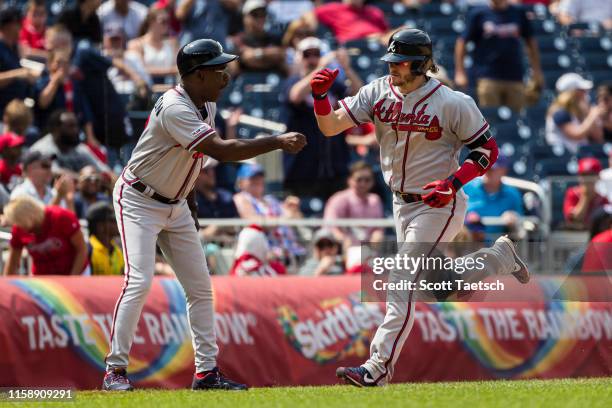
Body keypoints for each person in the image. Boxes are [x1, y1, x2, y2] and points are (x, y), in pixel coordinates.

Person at [310, 28, 530, 387]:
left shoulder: (452, 102)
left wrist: (454, 182)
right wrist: (320, 97)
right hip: (400, 203)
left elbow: (487, 152)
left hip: (438, 203)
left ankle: (376, 367)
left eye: (400, 61)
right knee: (443, 286)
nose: (393, 67)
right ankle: (499, 258)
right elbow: (331, 127)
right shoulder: (377, 91)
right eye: (391, 60)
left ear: (421, 63)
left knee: (400, 279)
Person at [103, 38, 305, 391]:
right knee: (139, 281)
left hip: (175, 203)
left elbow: (191, 157)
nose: (226, 76)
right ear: (196, 76)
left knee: (200, 288)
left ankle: (206, 373)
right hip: (139, 200)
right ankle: (115, 370)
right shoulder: (176, 107)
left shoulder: (204, 102)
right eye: (218, 71)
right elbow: (221, 151)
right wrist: (275, 141)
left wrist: (190, 200)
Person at [282, 36, 361, 199]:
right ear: (299, 58)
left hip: (334, 166)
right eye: (307, 55)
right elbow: (295, 95)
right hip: (302, 168)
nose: (312, 59)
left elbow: (360, 94)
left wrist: (347, 69)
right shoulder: (293, 81)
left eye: (316, 54)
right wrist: (320, 68)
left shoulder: (333, 85)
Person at [454, 0, 543, 111]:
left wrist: (537, 70)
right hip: (487, 76)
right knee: (490, 119)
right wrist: (460, 72)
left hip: (515, 76)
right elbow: (462, 42)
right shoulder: (479, 13)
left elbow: (531, 41)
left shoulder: (518, 12)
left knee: (517, 119)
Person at [233, 163, 305, 262]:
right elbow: (253, 221)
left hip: (291, 252)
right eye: (252, 178)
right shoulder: (241, 197)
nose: (257, 180)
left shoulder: (270, 199)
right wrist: (284, 219)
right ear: (241, 182)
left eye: (260, 177)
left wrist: (293, 209)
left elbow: (295, 218)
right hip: (267, 255)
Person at [2, 195, 88, 276]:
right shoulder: (19, 228)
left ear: (30, 216)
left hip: (75, 272)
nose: (21, 228)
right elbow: (13, 262)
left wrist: (73, 278)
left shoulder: (61, 217)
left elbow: (81, 249)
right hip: (43, 277)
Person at [323, 161, 384, 248]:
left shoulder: (375, 200)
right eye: (359, 179)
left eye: (367, 180)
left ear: (372, 182)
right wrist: (343, 240)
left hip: (368, 251)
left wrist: (377, 235)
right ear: (350, 180)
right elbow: (329, 226)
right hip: (341, 251)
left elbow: (379, 228)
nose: (363, 183)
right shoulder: (338, 199)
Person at [30, 110, 110, 173]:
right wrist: (85, 179)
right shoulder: (43, 149)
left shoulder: (79, 148)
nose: (76, 131)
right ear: (56, 129)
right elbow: (54, 172)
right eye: (70, 126)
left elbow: (103, 169)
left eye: (76, 126)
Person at [463, 155, 524, 238]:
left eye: (492, 169)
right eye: (485, 167)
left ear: (503, 171)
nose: (487, 171)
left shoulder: (512, 195)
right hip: (466, 245)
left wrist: (513, 218)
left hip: (498, 246)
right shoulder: (467, 187)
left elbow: (521, 224)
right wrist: (465, 217)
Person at [546, 73, 604, 154]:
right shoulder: (559, 112)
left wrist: (588, 114)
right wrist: (592, 116)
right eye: (582, 90)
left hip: (580, 155)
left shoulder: (580, 110)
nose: (585, 93)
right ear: (572, 93)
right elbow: (575, 135)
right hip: (564, 158)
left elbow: (598, 138)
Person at [295, 0, 390, 45]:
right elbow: (309, 14)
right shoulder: (334, 8)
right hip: (353, 48)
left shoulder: (374, 12)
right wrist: (312, 26)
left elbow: (386, 33)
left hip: (378, 46)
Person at [0, 6, 37, 118]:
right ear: (8, 25)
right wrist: (19, 74)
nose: (21, 27)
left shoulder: (15, 48)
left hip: (17, 113)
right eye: (18, 24)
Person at [10, 150, 76, 213]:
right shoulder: (19, 193)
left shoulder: (54, 193)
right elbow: (38, 222)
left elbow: (70, 221)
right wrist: (58, 197)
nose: (50, 170)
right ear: (30, 168)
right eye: (45, 166)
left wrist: (69, 198)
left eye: (50, 166)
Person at [127, 6, 179, 82]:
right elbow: (139, 70)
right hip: (147, 90)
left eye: (168, 21)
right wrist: (172, 71)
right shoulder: (136, 44)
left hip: (170, 89)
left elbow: (179, 68)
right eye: (163, 21)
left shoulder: (173, 43)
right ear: (151, 22)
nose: (167, 25)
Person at [234, 0, 286, 74]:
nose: (260, 18)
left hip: (273, 81)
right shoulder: (239, 39)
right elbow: (246, 59)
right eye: (255, 15)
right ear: (245, 18)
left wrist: (257, 53)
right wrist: (269, 57)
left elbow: (280, 55)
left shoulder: (274, 37)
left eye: (263, 14)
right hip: (248, 82)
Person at [563, 157, 608, 229]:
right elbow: (575, 220)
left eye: (592, 175)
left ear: (598, 177)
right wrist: (585, 196)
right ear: (579, 177)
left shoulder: (603, 197)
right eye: (584, 175)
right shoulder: (572, 193)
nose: (588, 179)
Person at [86, 201, 124, 275]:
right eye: (113, 220)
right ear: (101, 226)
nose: (118, 224)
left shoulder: (118, 251)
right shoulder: (88, 251)